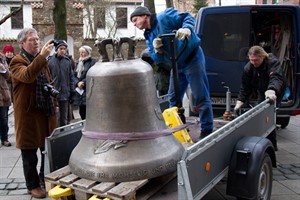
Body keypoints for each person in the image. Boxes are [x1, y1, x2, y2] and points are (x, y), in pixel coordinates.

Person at [130, 6, 214, 138]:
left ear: (144, 16)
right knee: (173, 98)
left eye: (135, 20)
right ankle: (178, 128)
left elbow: (187, 17)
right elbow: (157, 58)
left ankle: (207, 129)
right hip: (176, 64)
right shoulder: (148, 34)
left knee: (199, 95)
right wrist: (157, 50)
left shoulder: (164, 16)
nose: (134, 24)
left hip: (192, 58)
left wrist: (187, 28)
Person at [9, 27, 58, 199]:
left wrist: (55, 104)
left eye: (37, 39)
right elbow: (28, 75)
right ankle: (33, 185)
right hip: (28, 115)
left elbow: (50, 83)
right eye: (32, 39)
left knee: (47, 151)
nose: (36, 42)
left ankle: (44, 179)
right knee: (29, 154)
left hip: (45, 112)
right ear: (22, 43)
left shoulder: (40, 60)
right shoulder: (16, 61)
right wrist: (43, 56)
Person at [234, 45, 286, 151]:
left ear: (262, 57)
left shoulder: (272, 62)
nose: (254, 63)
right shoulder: (248, 68)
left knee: (270, 115)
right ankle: (263, 140)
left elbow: (275, 77)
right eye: (251, 60)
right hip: (262, 90)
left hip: (275, 90)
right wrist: (240, 101)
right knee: (262, 115)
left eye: (256, 60)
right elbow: (245, 86)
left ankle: (272, 145)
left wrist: (272, 90)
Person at [48, 40, 76, 126]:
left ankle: (64, 134)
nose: (63, 51)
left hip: (65, 93)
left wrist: (72, 91)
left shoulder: (67, 61)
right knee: (54, 117)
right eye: (61, 48)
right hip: (53, 93)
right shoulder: (50, 61)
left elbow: (71, 77)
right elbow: (47, 77)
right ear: (56, 49)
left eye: (64, 49)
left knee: (64, 117)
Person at [73, 45, 96, 120]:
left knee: (89, 111)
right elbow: (73, 75)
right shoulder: (78, 63)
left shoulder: (92, 62)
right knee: (81, 111)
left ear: (88, 53)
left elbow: (92, 74)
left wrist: (82, 82)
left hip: (88, 89)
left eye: (83, 52)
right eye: (80, 52)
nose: (81, 54)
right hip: (80, 90)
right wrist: (77, 83)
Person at [0, 52, 12, 147]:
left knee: (4, 118)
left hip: (3, 94)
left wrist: (3, 69)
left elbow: (8, 76)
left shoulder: (2, 59)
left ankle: (4, 138)